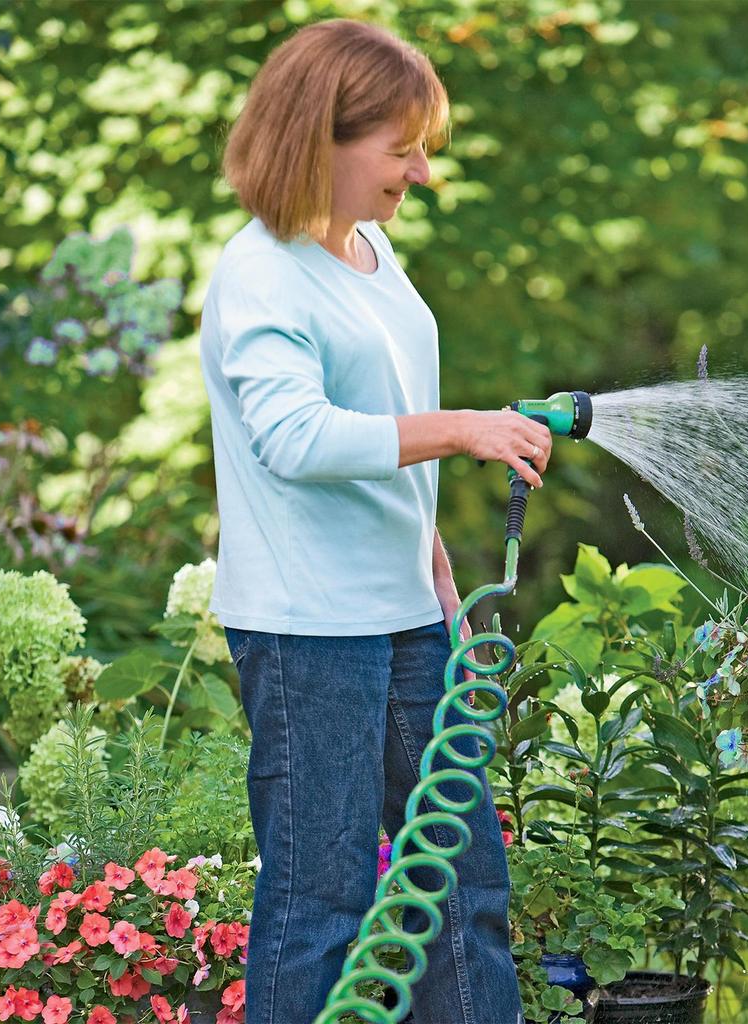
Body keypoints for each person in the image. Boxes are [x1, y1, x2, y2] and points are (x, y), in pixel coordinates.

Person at [199, 18, 552, 1024]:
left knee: (458, 877)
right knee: (322, 900)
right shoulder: (260, 271)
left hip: (404, 618)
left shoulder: (372, 251)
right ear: (320, 138)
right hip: (310, 633)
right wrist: (465, 431)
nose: (417, 173)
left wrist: (433, 567)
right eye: (397, 151)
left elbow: (379, 431)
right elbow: (297, 438)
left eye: (420, 150)